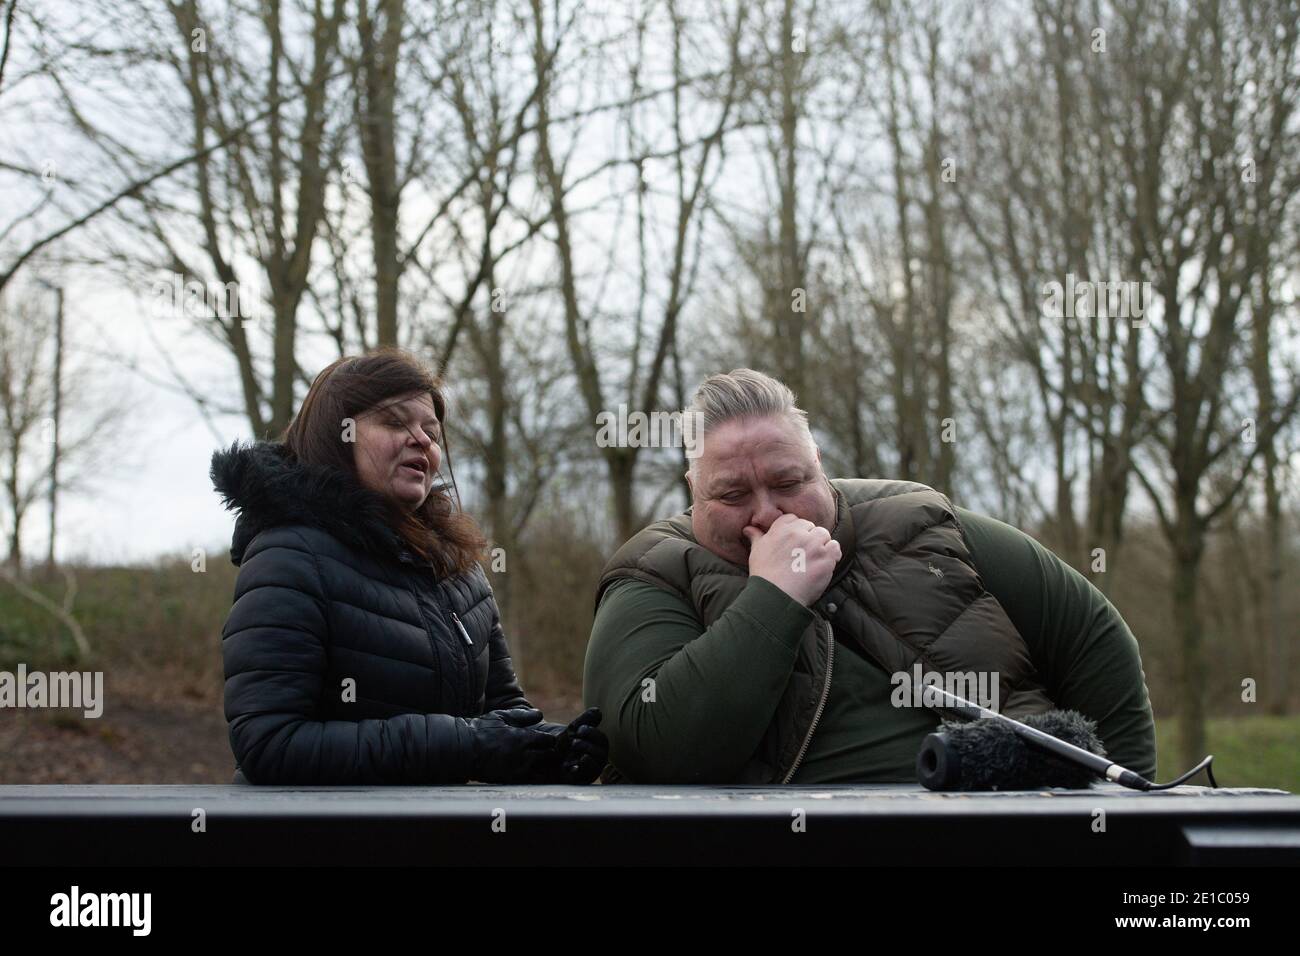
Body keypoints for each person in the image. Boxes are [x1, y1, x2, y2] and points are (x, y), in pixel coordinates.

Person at [583, 368, 1157, 785]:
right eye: (732, 494)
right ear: (693, 493)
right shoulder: (653, 573)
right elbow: (651, 746)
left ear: (819, 466)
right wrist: (774, 597)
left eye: (788, 483)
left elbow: (1093, 639)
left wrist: (1122, 821)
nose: (768, 512)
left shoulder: (924, 523)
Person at [210, 348, 607, 785]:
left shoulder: (457, 567)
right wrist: (466, 746)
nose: (422, 440)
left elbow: (501, 716)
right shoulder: (288, 557)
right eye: (395, 422)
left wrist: (556, 749)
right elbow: (270, 743)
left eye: (431, 431)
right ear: (336, 435)